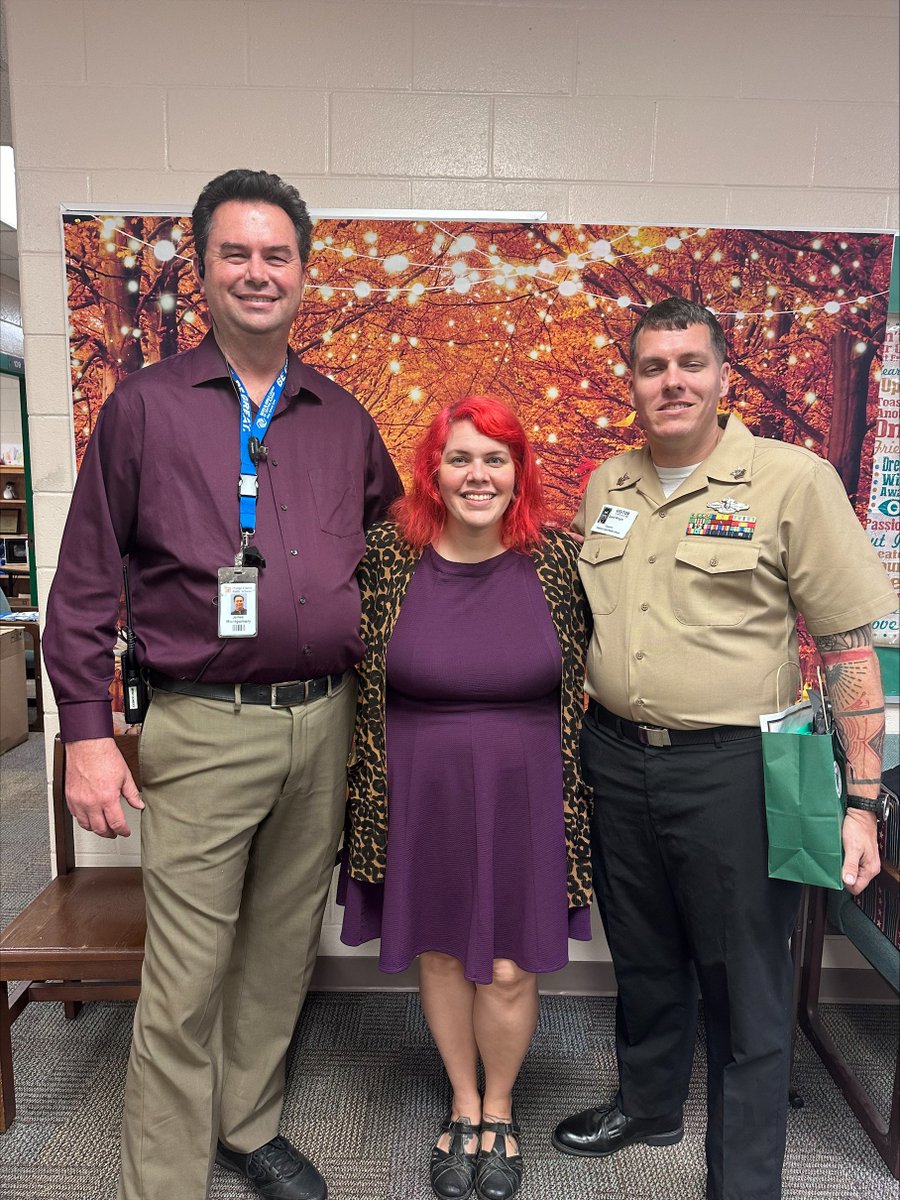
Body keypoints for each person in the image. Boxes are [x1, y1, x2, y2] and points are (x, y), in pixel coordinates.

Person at [43, 168, 402, 1200]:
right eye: (236, 253)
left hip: (322, 724)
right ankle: (163, 1180)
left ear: (304, 272)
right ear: (201, 270)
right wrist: (85, 732)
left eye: (276, 254)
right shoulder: (145, 410)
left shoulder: (339, 414)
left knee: (283, 947)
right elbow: (82, 584)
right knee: (185, 975)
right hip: (201, 727)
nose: (258, 272)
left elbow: (389, 545)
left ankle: (248, 1126)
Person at [551, 297, 896, 1199]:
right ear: (631, 382)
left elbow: (848, 647)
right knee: (644, 949)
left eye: (689, 364)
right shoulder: (605, 486)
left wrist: (862, 801)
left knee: (746, 978)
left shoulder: (792, 480)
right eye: (653, 367)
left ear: (721, 377)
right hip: (617, 756)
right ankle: (650, 1104)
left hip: (737, 769)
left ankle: (744, 1178)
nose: (672, 382)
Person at [339, 396, 592, 1200]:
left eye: (494, 458)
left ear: (517, 471)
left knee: (512, 968)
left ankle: (502, 1108)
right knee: (444, 952)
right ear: (433, 472)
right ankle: (461, 1100)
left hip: (529, 789)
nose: (476, 474)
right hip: (421, 788)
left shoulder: (556, 558)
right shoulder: (387, 554)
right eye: (459, 458)